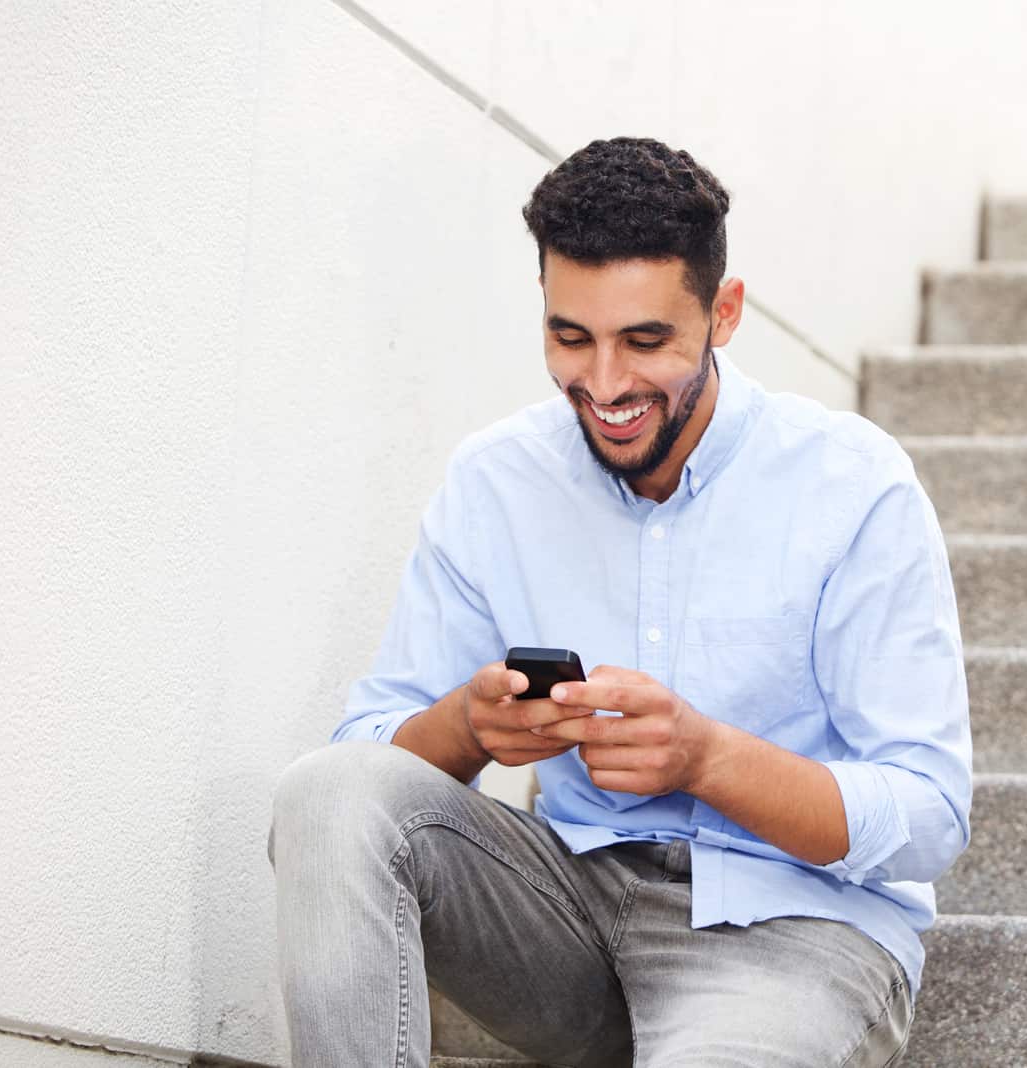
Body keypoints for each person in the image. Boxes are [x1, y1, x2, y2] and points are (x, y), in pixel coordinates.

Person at [267, 136, 972, 1068]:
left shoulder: (853, 485)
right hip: (567, 915)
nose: (603, 386)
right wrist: (468, 727)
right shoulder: (496, 482)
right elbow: (372, 748)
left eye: (645, 341)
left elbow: (929, 814)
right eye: (571, 338)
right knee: (330, 791)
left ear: (723, 314)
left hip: (794, 930)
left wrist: (708, 757)